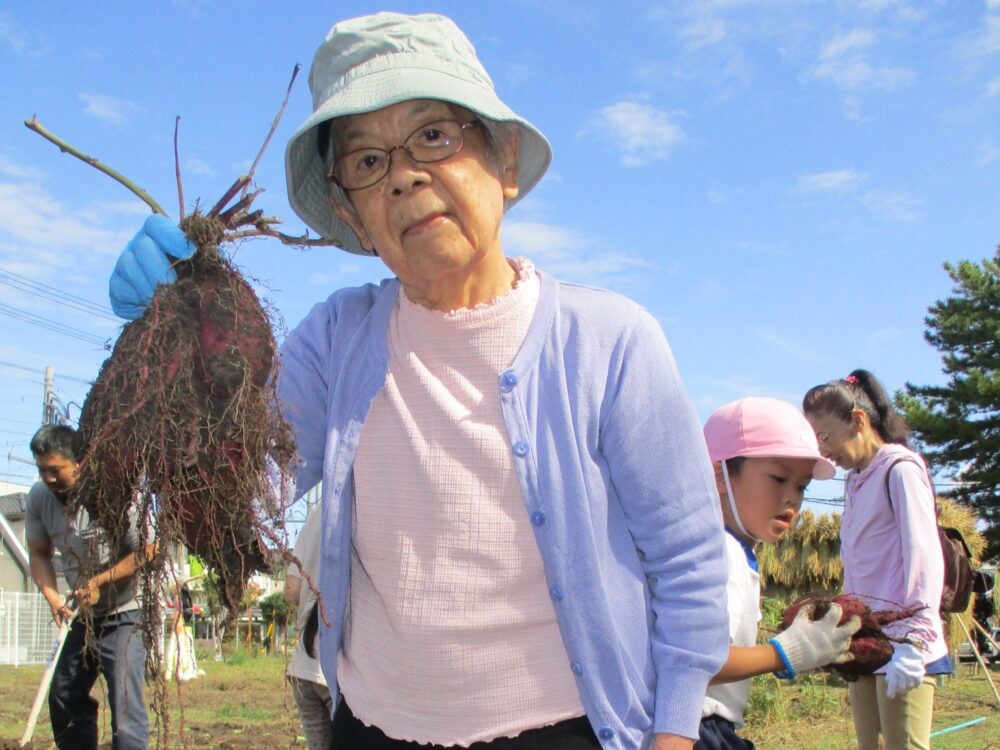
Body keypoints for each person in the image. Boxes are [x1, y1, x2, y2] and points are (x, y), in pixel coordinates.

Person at [107, 12, 730, 749]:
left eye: (435, 135)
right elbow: (233, 476)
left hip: (567, 729)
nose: (403, 174)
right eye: (367, 162)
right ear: (351, 215)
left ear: (504, 162)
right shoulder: (337, 340)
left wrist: (673, 735)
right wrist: (171, 340)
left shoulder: (609, 341)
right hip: (372, 729)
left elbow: (687, 562)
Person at [697, 397, 861, 750]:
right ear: (718, 475)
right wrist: (785, 652)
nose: (792, 499)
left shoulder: (738, 552)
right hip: (696, 729)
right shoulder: (716, 552)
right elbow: (698, 659)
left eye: (801, 487)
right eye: (778, 478)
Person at [802, 369, 951, 750]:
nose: (823, 451)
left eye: (824, 437)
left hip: (904, 646)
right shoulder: (855, 479)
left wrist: (914, 641)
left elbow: (924, 556)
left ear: (858, 421)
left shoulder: (900, 469)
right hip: (868, 642)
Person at [25, 424, 156, 749]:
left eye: (56, 470)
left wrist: (99, 581)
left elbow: (149, 550)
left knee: (125, 708)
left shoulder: (117, 491)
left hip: (127, 611)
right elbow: (39, 555)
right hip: (82, 616)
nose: (48, 479)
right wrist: (54, 598)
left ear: (79, 462)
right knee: (64, 695)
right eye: (42, 470)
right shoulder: (40, 497)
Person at [283, 504, 333, 750]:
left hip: (304, 666)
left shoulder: (315, 513)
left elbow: (291, 592)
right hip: (339, 666)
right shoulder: (365, 506)